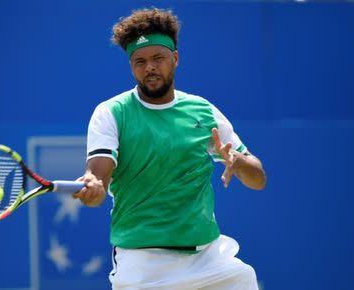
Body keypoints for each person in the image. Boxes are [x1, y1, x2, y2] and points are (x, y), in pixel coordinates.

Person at [73, 7, 266, 290]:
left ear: (174, 59)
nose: (149, 67)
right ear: (131, 66)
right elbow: (97, 179)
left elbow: (258, 179)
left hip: (209, 258)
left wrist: (238, 162)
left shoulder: (203, 111)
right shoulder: (111, 112)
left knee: (244, 277)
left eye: (157, 58)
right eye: (139, 61)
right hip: (143, 261)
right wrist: (93, 187)